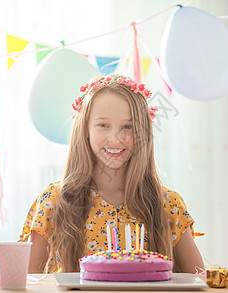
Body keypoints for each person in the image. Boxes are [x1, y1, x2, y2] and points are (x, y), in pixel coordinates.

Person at [18, 75, 204, 274]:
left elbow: (200, 282)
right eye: (103, 125)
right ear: (85, 129)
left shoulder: (168, 205)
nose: (115, 138)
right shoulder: (54, 202)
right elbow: (26, 284)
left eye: (127, 127)